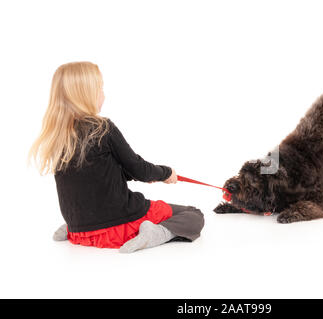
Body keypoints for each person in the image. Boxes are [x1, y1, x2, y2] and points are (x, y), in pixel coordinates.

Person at [28, 62, 204, 253]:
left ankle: (73, 230)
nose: (104, 94)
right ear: (85, 94)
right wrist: (166, 173)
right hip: (120, 225)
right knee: (193, 214)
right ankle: (155, 234)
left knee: (88, 217)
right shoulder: (102, 128)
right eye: (100, 88)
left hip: (81, 229)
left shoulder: (58, 138)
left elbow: (98, 174)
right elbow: (139, 169)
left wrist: (134, 174)